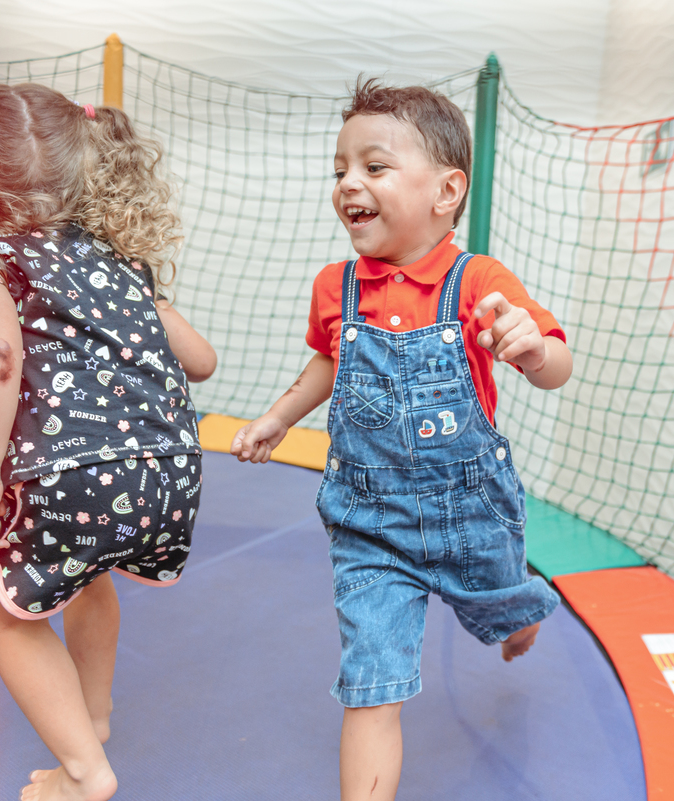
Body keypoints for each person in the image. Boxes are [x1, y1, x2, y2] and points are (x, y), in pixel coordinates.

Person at [232, 78, 573, 800]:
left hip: (471, 515)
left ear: (446, 191)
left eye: (374, 166)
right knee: (371, 682)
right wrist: (277, 417)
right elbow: (329, 359)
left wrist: (531, 346)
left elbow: (554, 363)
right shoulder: (338, 286)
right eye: (340, 169)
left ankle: (519, 614)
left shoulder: (476, 278)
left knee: (504, 603)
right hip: (369, 524)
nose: (348, 184)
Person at [0, 83, 217, 801]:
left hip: (72, 476)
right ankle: (92, 715)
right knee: (91, 579)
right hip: (171, 472)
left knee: (5, 613)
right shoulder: (118, 259)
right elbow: (202, 361)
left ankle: (84, 770)